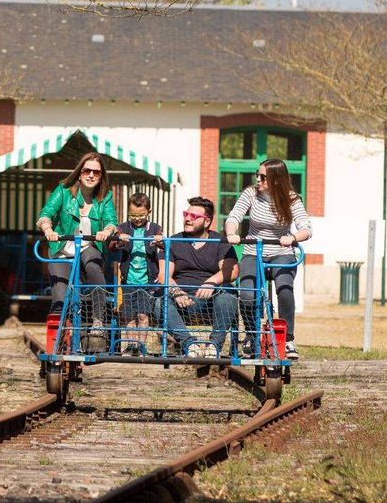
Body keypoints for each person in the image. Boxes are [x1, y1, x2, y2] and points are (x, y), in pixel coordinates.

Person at [224, 158, 312, 360]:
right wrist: (231, 233)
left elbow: (306, 228)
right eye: (257, 175)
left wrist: (292, 238)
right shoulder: (251, 194)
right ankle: (251, 336)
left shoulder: (291, 199)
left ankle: (287, 338)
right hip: (254, 251)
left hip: (281, 252)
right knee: (247, 293)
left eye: (262, 177)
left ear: (275, 179)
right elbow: (234, 216)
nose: (258, 179)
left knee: (285, 289)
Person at [36, 152, 118, 331]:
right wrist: (49, 230)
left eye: (96, 172)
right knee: (60, 294)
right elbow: (46, 214)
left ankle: (98, 320)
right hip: (62, 247)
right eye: (87, 170)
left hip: (88, 245)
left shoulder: (106, 196)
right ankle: (59, 334)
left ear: (101, 176)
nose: (91, 175)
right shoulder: (64, 190)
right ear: (79, 173)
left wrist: (106, 230)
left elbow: (111, 220)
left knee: (94, 268)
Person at [160, 196, 238, 357]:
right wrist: (176, 291)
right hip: (181, 300)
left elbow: (232, 271)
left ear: (207, 222)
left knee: (228, 293)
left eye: (194, 217)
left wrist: (211, 282)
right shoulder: (173, 241)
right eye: (186, 214)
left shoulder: (220, 241)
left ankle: (214, 345)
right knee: (159, 300)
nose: (188, 219)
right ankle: (190, 344)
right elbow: (164, 275)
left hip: (210, 301)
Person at [107, 192, 164, 355]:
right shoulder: (123, 228)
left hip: (147, 281)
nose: (137, 218)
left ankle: (140, 345)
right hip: (128, 280)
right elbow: (111, 246)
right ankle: (131, 344)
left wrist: (160, 242)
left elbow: (166, 247)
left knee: (143, 315)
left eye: (141, 215)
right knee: (129, 316)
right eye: (133, 215)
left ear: (149, 212)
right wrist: (119, 240)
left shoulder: (154, 228)